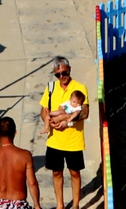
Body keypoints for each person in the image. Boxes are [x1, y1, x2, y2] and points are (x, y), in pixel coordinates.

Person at [39, 56, 87, 209]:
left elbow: (85, 112)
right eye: (58, 74)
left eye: (64, 73)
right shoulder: (51, 88)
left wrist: (66, 119)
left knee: (74, 173)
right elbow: (43, 110)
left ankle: (75, 204)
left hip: (73, 140)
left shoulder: (79, 88)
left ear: (69, 69)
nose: (61, 77)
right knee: (56, 173)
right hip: (54, 140)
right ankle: (60, 205)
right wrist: (49, 120)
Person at [0, 118, 40, 209]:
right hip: (19, 204)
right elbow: (32, 183)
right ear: (15, 132)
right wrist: (37, 205)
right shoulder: (25, 155)